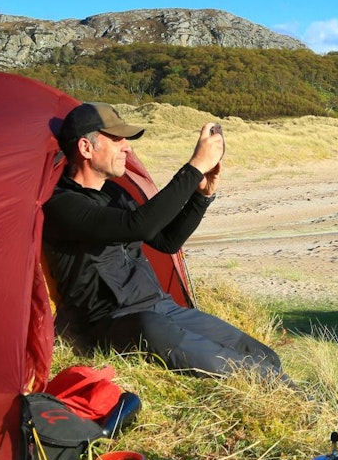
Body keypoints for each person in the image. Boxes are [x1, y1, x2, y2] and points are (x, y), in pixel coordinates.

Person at [42, 102, 286, 380]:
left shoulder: (115, 194)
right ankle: (276, 387)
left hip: (161, 307)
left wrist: (200, 196)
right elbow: (141, 226)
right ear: (87, 148)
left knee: (265, 357)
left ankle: (273, 380)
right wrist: (193, 167)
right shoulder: (62, 205)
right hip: (110, 323)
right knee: (160, 331)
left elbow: (166, 241)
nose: (127, 148)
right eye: (117, 139)